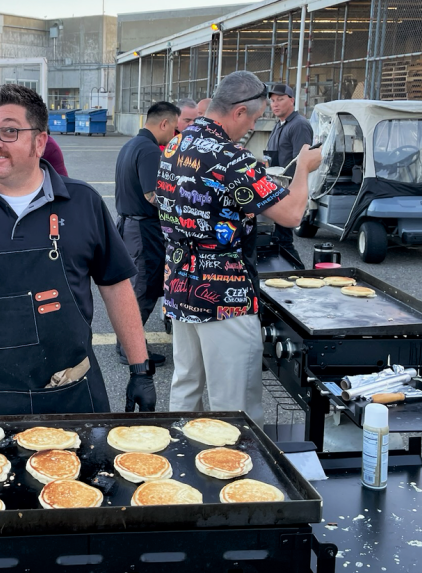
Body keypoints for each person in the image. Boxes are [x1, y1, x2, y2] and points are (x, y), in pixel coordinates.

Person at [0, 84, 157, 416]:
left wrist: (140, 369)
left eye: (8, 131)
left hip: (72, 394)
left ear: (39, 141)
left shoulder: (83, 202)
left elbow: (117, 287)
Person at [156, 71, 321, 424]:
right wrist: (304, 168)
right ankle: (235, 470)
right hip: (224, 292)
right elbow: (291, 214)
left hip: (181, 285)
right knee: (234, 405)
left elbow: (201, 198)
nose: (251, 128)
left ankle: (180, 460)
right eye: (255, 119)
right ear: (239, 112)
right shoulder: (233, 158)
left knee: (187, 385)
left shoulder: (176, 144)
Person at [113, 101, 181, 366]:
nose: (175, 135)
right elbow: (153, 195)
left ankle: (127, 344)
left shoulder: (131, 145)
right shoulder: (150, 150)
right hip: (143, 229)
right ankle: (129, 350)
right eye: (174, 128)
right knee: (144, 289)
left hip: (130, 225)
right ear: (164, 123)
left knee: (137, 288)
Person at [264, 83, 313, 265]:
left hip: (287, 191)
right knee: (274, 237)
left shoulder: (299, 125)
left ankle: (299, 273)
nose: (275, 104)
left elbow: (302, 162)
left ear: (292, 100)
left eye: (280, 99)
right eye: (273, 100)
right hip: (273, 189)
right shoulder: (278, 125)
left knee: (283, 239)